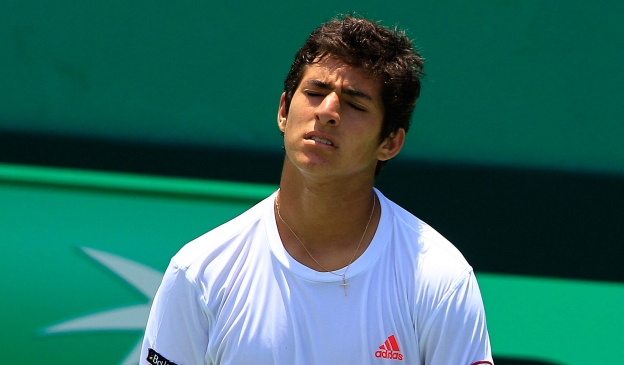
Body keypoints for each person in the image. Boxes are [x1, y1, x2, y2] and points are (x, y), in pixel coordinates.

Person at [141, 15, 492, 365]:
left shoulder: (441, 279)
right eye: (314, 92)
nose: (327, 112)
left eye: (355, 104)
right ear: (283, 111)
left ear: (390, 142)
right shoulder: (199, 273)